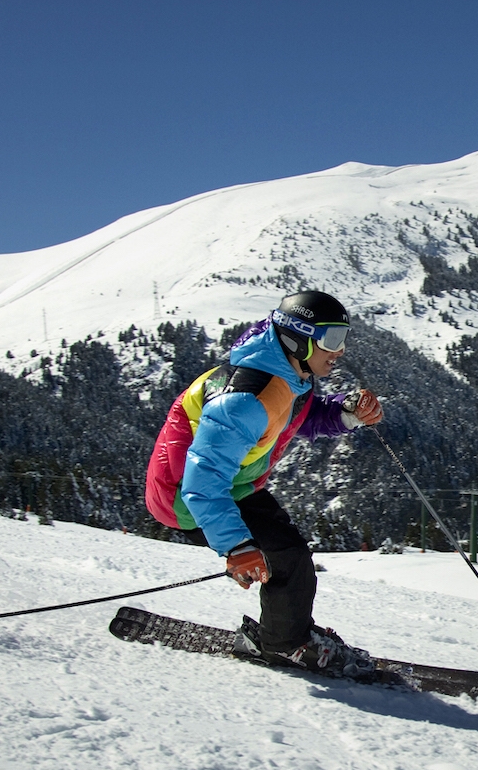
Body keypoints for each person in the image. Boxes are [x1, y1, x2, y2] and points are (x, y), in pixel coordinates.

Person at [144, 290, 384, 677]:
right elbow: (203, 478)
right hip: (187, 497)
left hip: (234, 486)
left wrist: (346, 413)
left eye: (343, 337)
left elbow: (291, 417)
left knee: (290, 555)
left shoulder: (289, 375)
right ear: (297, 337)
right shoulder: (245, 397)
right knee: (286, 559)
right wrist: (236, 546)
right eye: (331, 340)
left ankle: (287, 633)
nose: (339, 351)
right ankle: (284, 645)